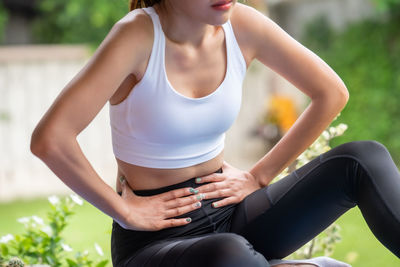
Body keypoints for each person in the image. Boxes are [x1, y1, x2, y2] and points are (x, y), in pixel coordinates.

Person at [30, 0, 400, 266]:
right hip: (156, 243)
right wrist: (125, 211)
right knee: (230, 253)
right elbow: (51, 139)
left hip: (229, 212)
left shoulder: (243, 24)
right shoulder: (136, 37)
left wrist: (259, 175)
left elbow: (331, 93)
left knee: (362, 159)